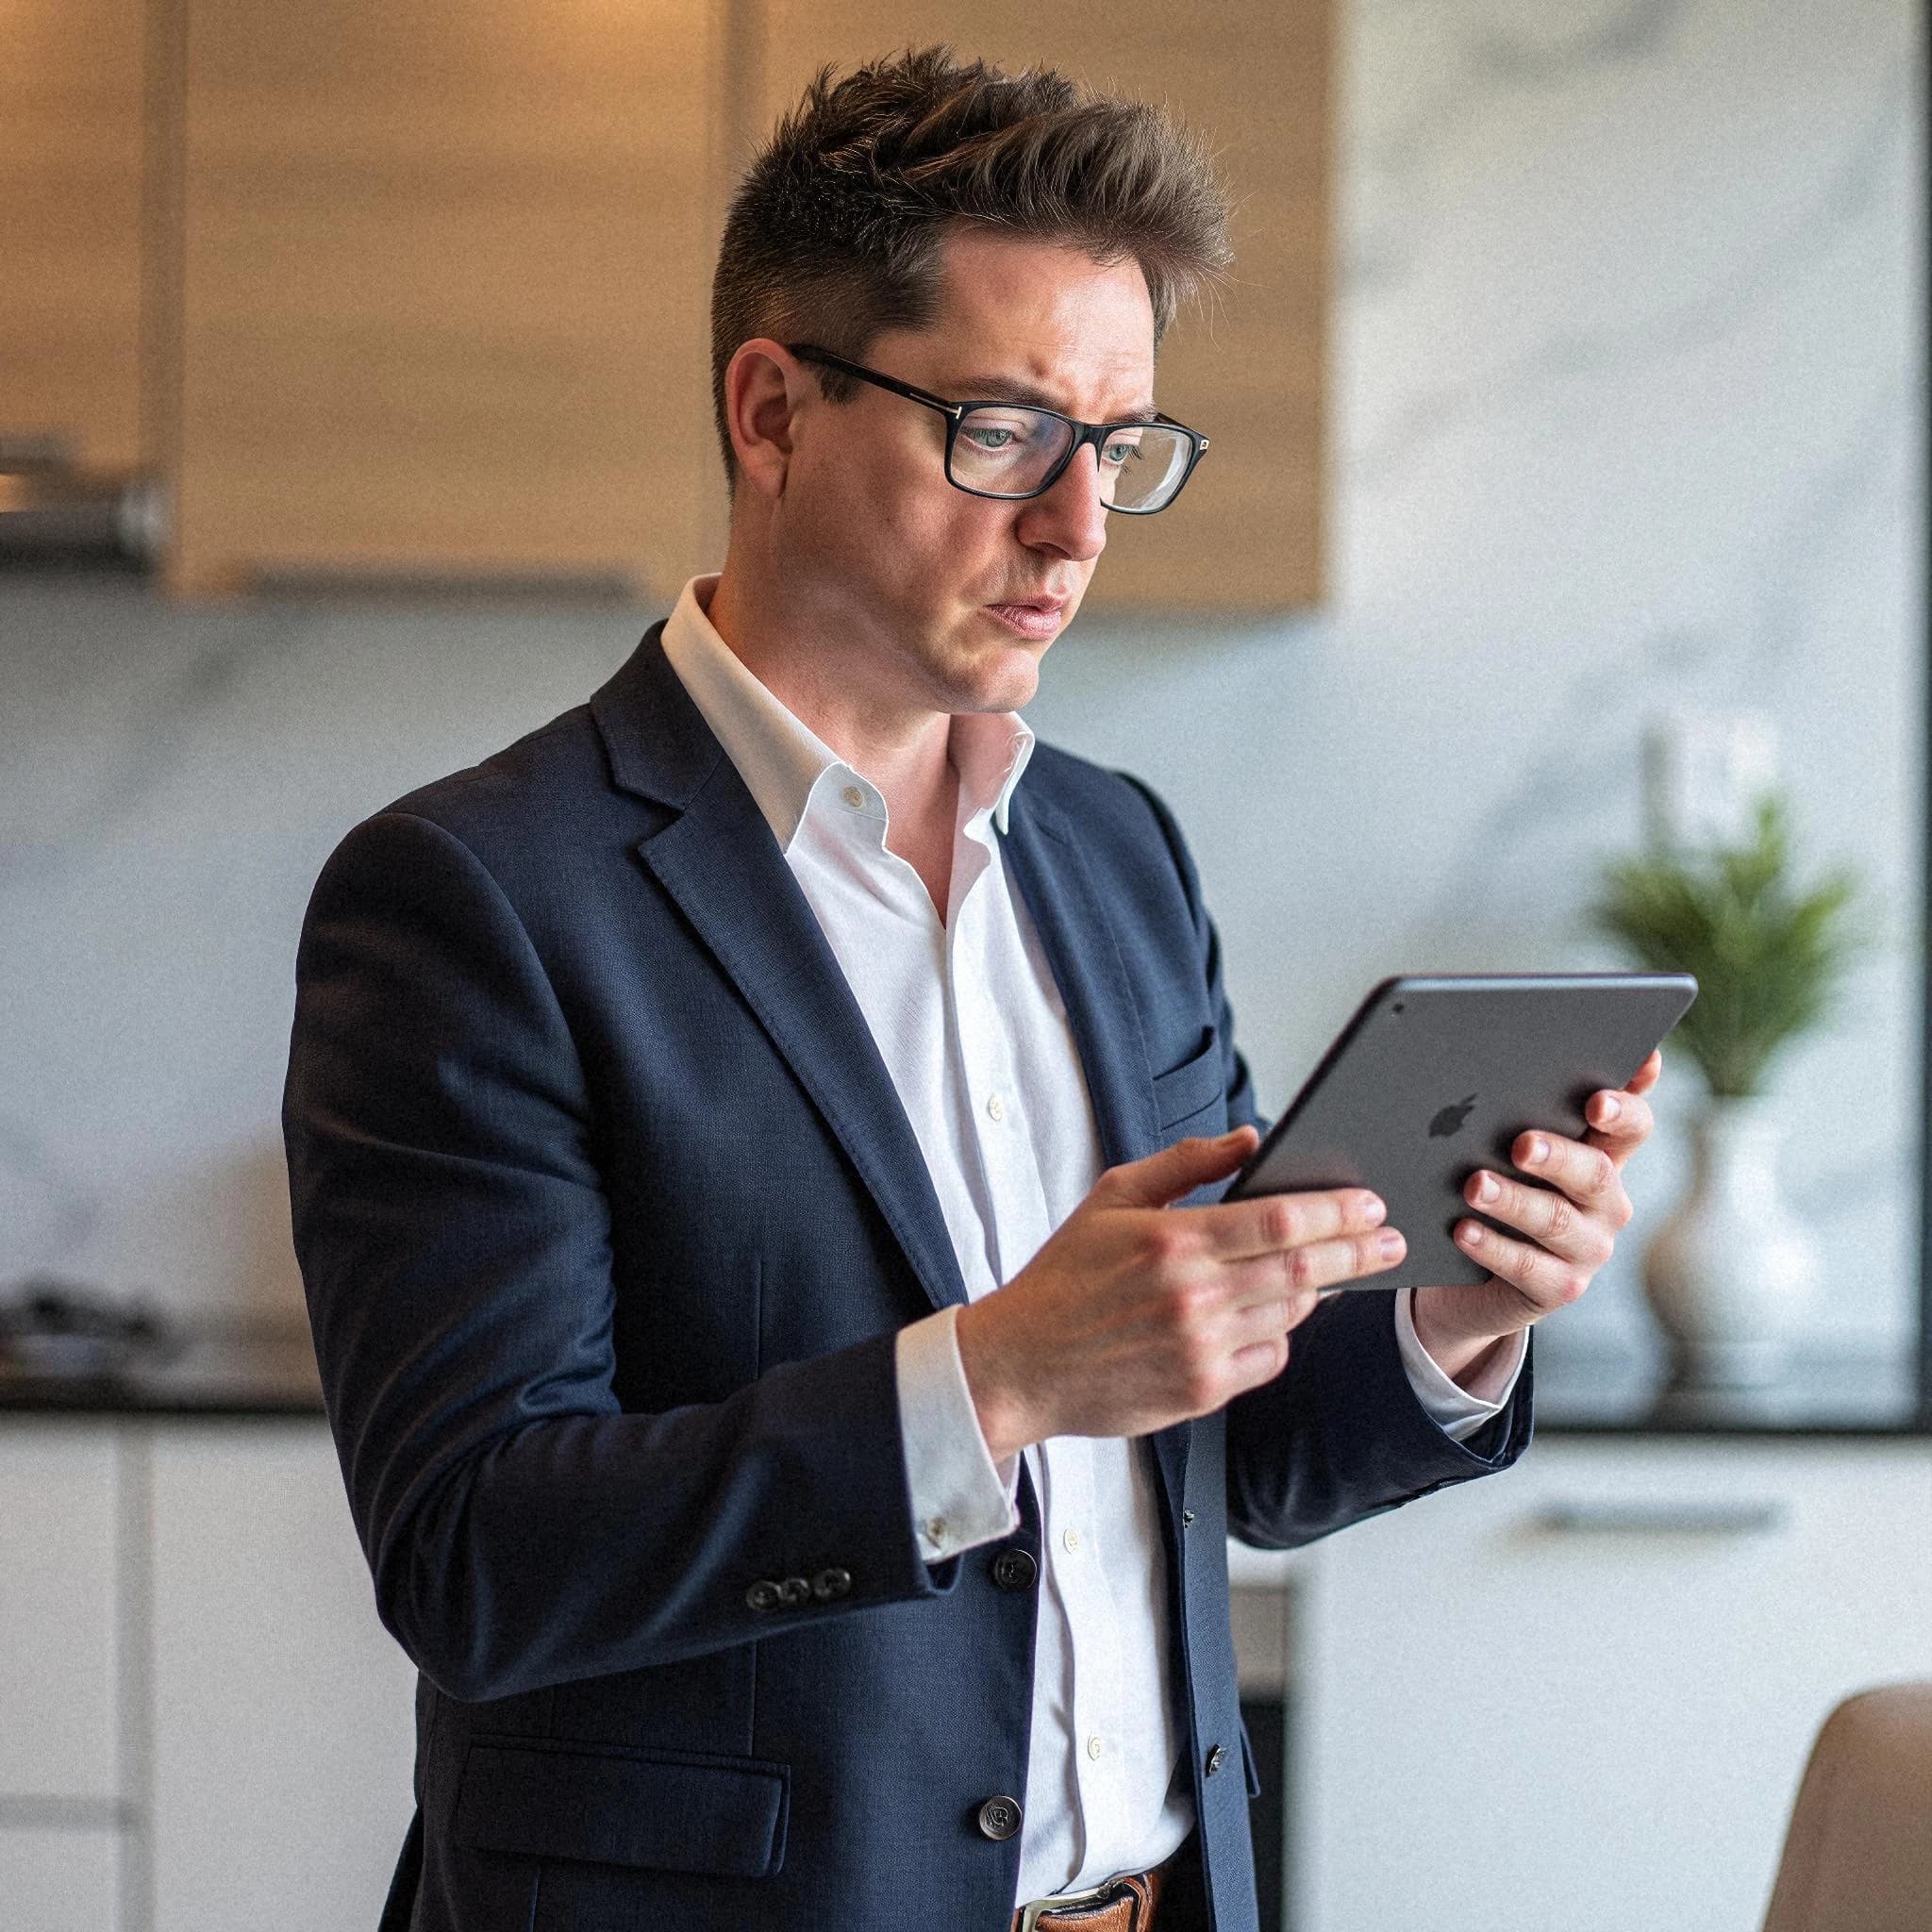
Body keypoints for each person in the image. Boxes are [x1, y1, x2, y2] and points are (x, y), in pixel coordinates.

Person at [283, 45, 1662, 1932]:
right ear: (771, 409)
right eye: (1005, 431)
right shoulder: (477, 898)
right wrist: (998, 1374)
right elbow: (479, 1556)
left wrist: (1448, 1313)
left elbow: (1235, 1451)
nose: (1077, 527)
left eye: (1121, 448)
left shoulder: (1113, 853)